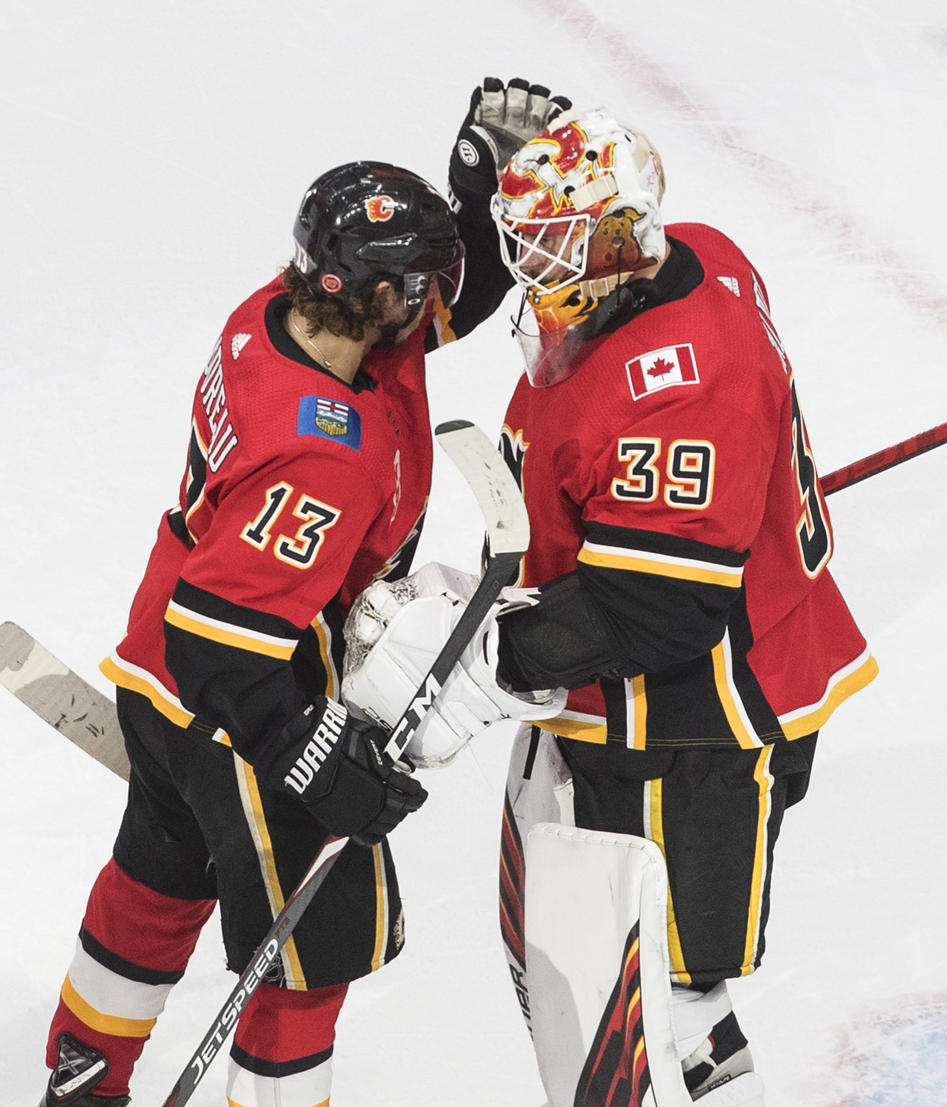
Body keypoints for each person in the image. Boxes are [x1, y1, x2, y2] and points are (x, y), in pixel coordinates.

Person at [37, 79, 570, 1107]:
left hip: (157, 682)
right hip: (239, 702)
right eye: (416, 288)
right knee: (310, 955)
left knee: (153, 886)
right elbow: (220, 641)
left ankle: (79, 1081)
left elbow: (434, 302)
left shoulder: (285, 312)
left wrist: (473, 193)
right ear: (377, 298)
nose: (430, 307)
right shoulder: (325, 459)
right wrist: (312, 752)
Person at [342, 101, 879, 1105]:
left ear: (624, 242)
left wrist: (488, 663)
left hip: (695, 725)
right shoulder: (687, 260)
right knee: (614, 993)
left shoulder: (683, 383)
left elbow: (660, 611)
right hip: (636, 700)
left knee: (665, 1014)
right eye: (530, 244)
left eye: (556, 248)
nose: (534, 271)